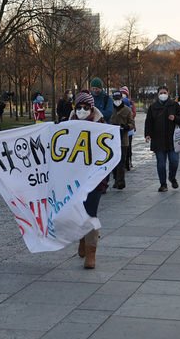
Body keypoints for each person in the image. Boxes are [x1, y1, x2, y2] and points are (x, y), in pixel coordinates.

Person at [69, 90, 106, 269]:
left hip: (95, 179)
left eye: (85, 107)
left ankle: (91, 252)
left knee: (91, 213)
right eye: (79, 107)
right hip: (73, 179)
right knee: (78, 212)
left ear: (91, 109)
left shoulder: (102, 126)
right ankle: (82, 239)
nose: (81, 110)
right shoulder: (67, 126)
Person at [144, 86, 180, 192]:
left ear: (168, 93)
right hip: (158, 140)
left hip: (173, 140)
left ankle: (172, 177)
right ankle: (163, 184)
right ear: (158, 94)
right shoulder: (153, 107)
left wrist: (175, 118)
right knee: (161, 164)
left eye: (164, 92)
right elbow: (149, 122)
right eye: (161, 93)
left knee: (174, 161)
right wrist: (148, 134)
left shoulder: (174, 105)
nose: (163, 94)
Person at [109, 91, 135, 189]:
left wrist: (127, 127)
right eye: (115, 99)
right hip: (111, 140)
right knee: (113, 162)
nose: (117, 101)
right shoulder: (110, 109)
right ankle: (116, 178)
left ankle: (120, 181)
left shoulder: (127, 110)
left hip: (123, 140)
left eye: (118, 99)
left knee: (121, 161)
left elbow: (132, 124)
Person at [120, 86, 136, 169]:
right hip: (121, 128)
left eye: (124, 93)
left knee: (128, 146)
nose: (123, 95)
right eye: (122, 93)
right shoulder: (118, 102)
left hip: (129, 129)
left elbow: (134, 114)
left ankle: (128, 161)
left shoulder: (130, 103)